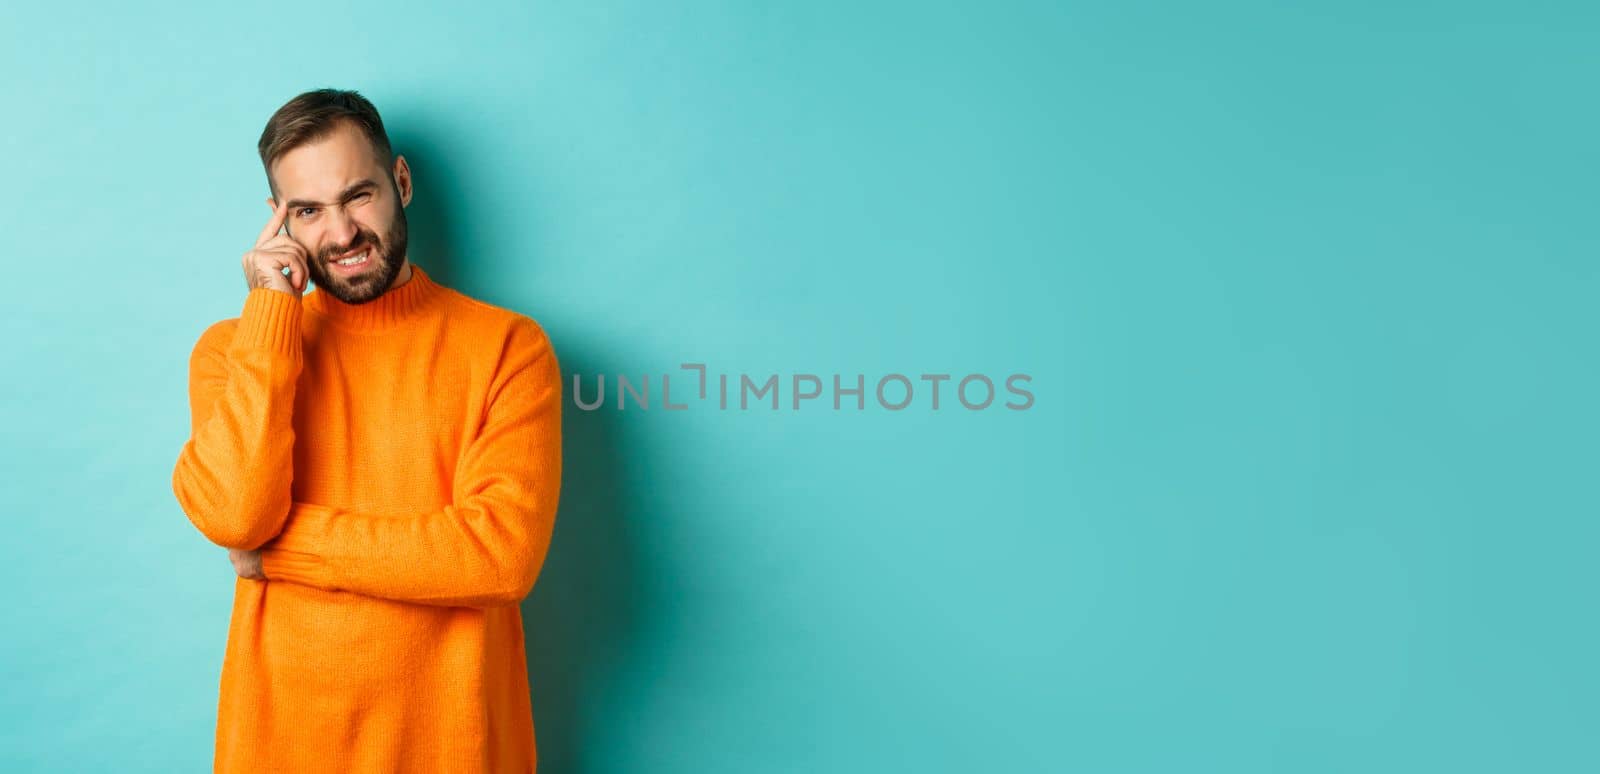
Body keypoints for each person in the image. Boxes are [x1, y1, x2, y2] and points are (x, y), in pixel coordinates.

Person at [171, 88, 562, 773]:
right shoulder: (233, 352)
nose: (342, 232)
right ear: (278, 222)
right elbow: (239, 517)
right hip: (281, 746)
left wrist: (281, 551)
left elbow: (498, 556)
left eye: (359, 195)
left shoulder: (508, 347)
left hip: (455, 748)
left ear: (401, 182)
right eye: (308, 211)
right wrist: (271, 311)